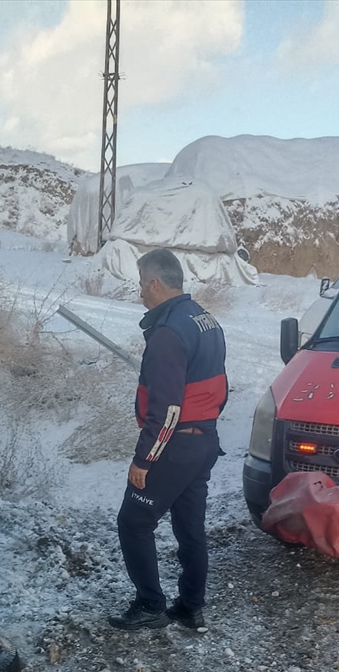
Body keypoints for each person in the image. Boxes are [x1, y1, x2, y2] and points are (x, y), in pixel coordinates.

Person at [109, 248, 227, 632]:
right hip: (203, 441)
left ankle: (150, 606)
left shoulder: (168, 333)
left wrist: (144, 460)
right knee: (189, 527)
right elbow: (218, 388)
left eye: (142, 284)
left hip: (175, 446)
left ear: (156, 283)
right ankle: (191, 607)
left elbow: (167, 410)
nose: (140, 292)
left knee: (133, 522)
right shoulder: (205, 319)